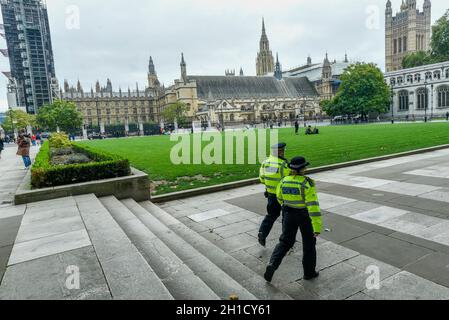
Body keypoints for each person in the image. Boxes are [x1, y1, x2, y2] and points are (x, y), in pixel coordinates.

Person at [264, 156, 322, 283]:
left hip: (288, 214)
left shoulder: (284, 181)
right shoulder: (307, 183)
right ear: (302, 169)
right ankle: (309, 273)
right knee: (309, 244)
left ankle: (273, 263)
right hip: (304, 216)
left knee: (285, 241)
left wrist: (287, 207)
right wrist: (317, 227)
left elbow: (279, 198)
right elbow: (313, 207)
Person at [258, 143, 290, 247]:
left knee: (271, 215)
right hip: (283, 196)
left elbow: (262, 178)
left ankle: (262, 232)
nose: (284, 152)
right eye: (283, 150)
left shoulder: (265, 163)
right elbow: (289, 179)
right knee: (286, 216)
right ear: (280, 151)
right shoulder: (283, 164)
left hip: (271, 194)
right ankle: (286, 239)